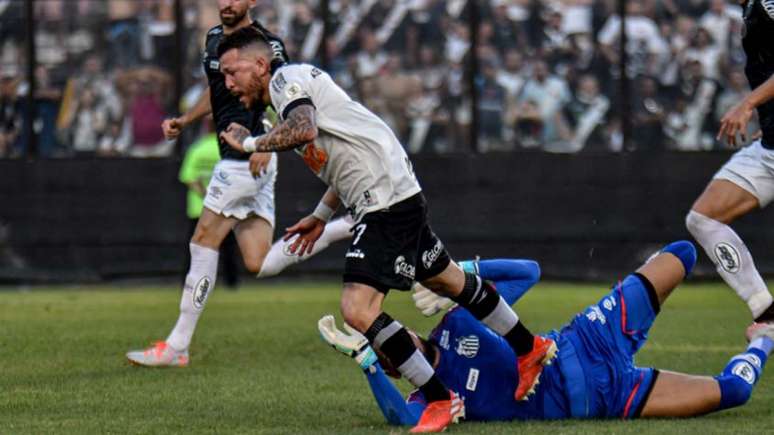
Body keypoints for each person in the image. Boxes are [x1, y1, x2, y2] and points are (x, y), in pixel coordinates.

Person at [216, 27, 555, 433]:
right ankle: (528, 347)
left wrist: (250, 145)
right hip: (394, 194)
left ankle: (441, 400)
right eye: (222, 76)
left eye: (232, 72)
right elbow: (344, 158)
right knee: (450, 281)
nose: (228, 83)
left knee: (358, 310)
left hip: (385, 203)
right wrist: (322, 215)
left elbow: (304, 130)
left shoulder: (285, 80)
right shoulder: (287, 95)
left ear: (260, 64)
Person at [319, 241, 773, 426]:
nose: (394, 345)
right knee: (733, 392)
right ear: (397, 371)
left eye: (388, 336)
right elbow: (399, 419)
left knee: (683, 253)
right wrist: (366, 363)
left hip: (590, 340)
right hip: (611, 398)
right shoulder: (432, 399)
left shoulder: (458, 321)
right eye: (386, 352)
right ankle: (766, 336)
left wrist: (461, 276)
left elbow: (528, 272)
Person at [126, 0, 351, 368]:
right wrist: (185, 120)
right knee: (257, 261)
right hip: (248, 158)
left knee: (203, 241)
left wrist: (265, 139)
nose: (226, 2)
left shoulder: (267, 44)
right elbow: (216, 91)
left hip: (244, 159)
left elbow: (285, 96)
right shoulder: (214, 38)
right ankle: (346, 226)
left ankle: (177, 345)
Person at [685, 0, 774, 327]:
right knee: (703, 218)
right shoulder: (752, 7)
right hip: (769, 148)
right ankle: (766, 310)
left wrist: (747, 104)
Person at [178, 125, 240, 289]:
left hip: (199, 209)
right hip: (224, 208)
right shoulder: (228, 150)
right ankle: (231, 283)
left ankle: (189, 282)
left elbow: (189, 178)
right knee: (228, 248)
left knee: (196, 249)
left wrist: (207, 197)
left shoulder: (197, 149)